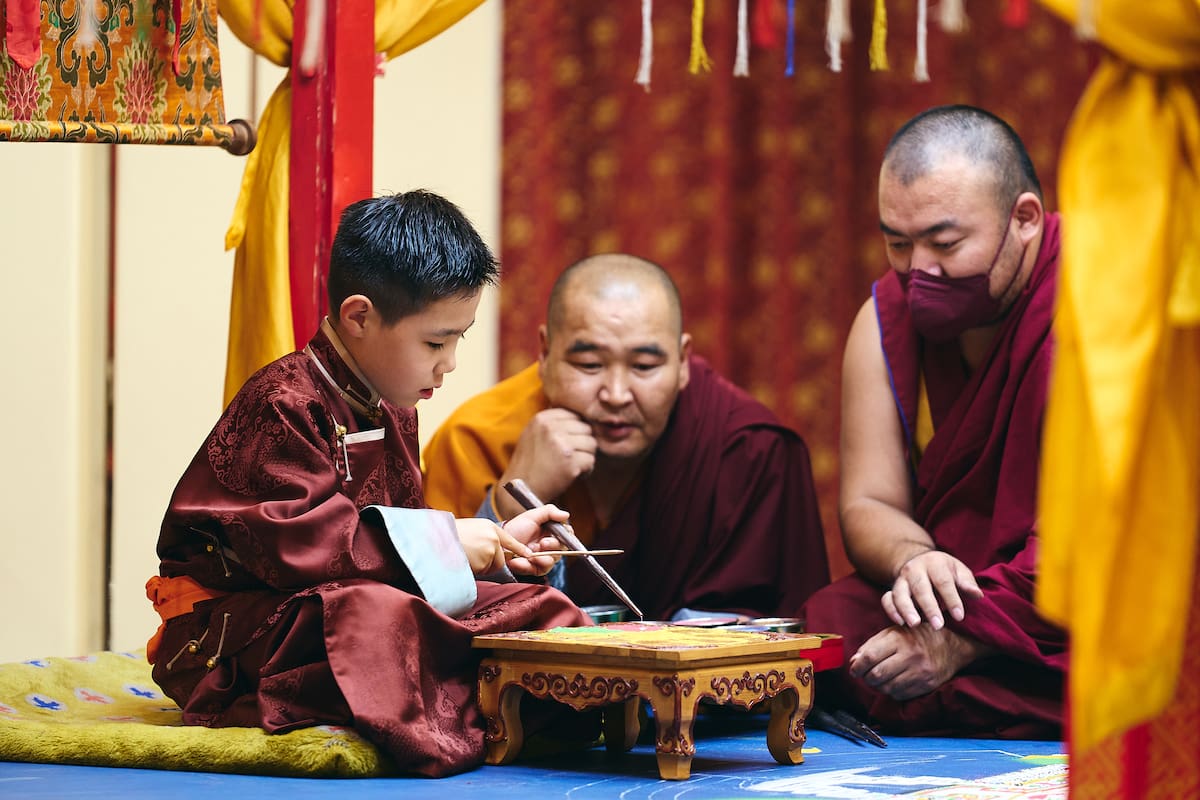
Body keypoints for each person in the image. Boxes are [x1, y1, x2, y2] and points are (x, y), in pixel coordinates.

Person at [145, 191, 593, 778]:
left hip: (357, 602)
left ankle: (549, 718)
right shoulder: (283, 401)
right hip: (239, 625)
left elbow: (406, 554)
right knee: (372, 617)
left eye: (459, 338)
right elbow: (296, 549)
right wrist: (451, 542)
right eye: (436, 342)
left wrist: (499, 549)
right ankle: (480, 722)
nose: (450, 363)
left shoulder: (395, 407)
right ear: (360, 317)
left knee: (538, 606)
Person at [801, 105, 1067, 739]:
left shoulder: (1097, 312)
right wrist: (918, 563)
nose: (918, 270)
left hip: (1065, 599)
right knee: (831, 620)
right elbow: (868, 500)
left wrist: (965, 637)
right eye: (898, 242)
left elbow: (1097, 542)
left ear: (1024, 219)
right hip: (958, 593)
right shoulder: (884, 321)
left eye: (945, 244)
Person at [422, 254, 829, 621]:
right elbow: (439, 618)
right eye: (589, 363)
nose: (616, 394)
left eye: (645, 365)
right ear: (544, 354)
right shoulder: (476, 437)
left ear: (683, 362)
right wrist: (514, 494)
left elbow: (784, 629)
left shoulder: (745, 446)